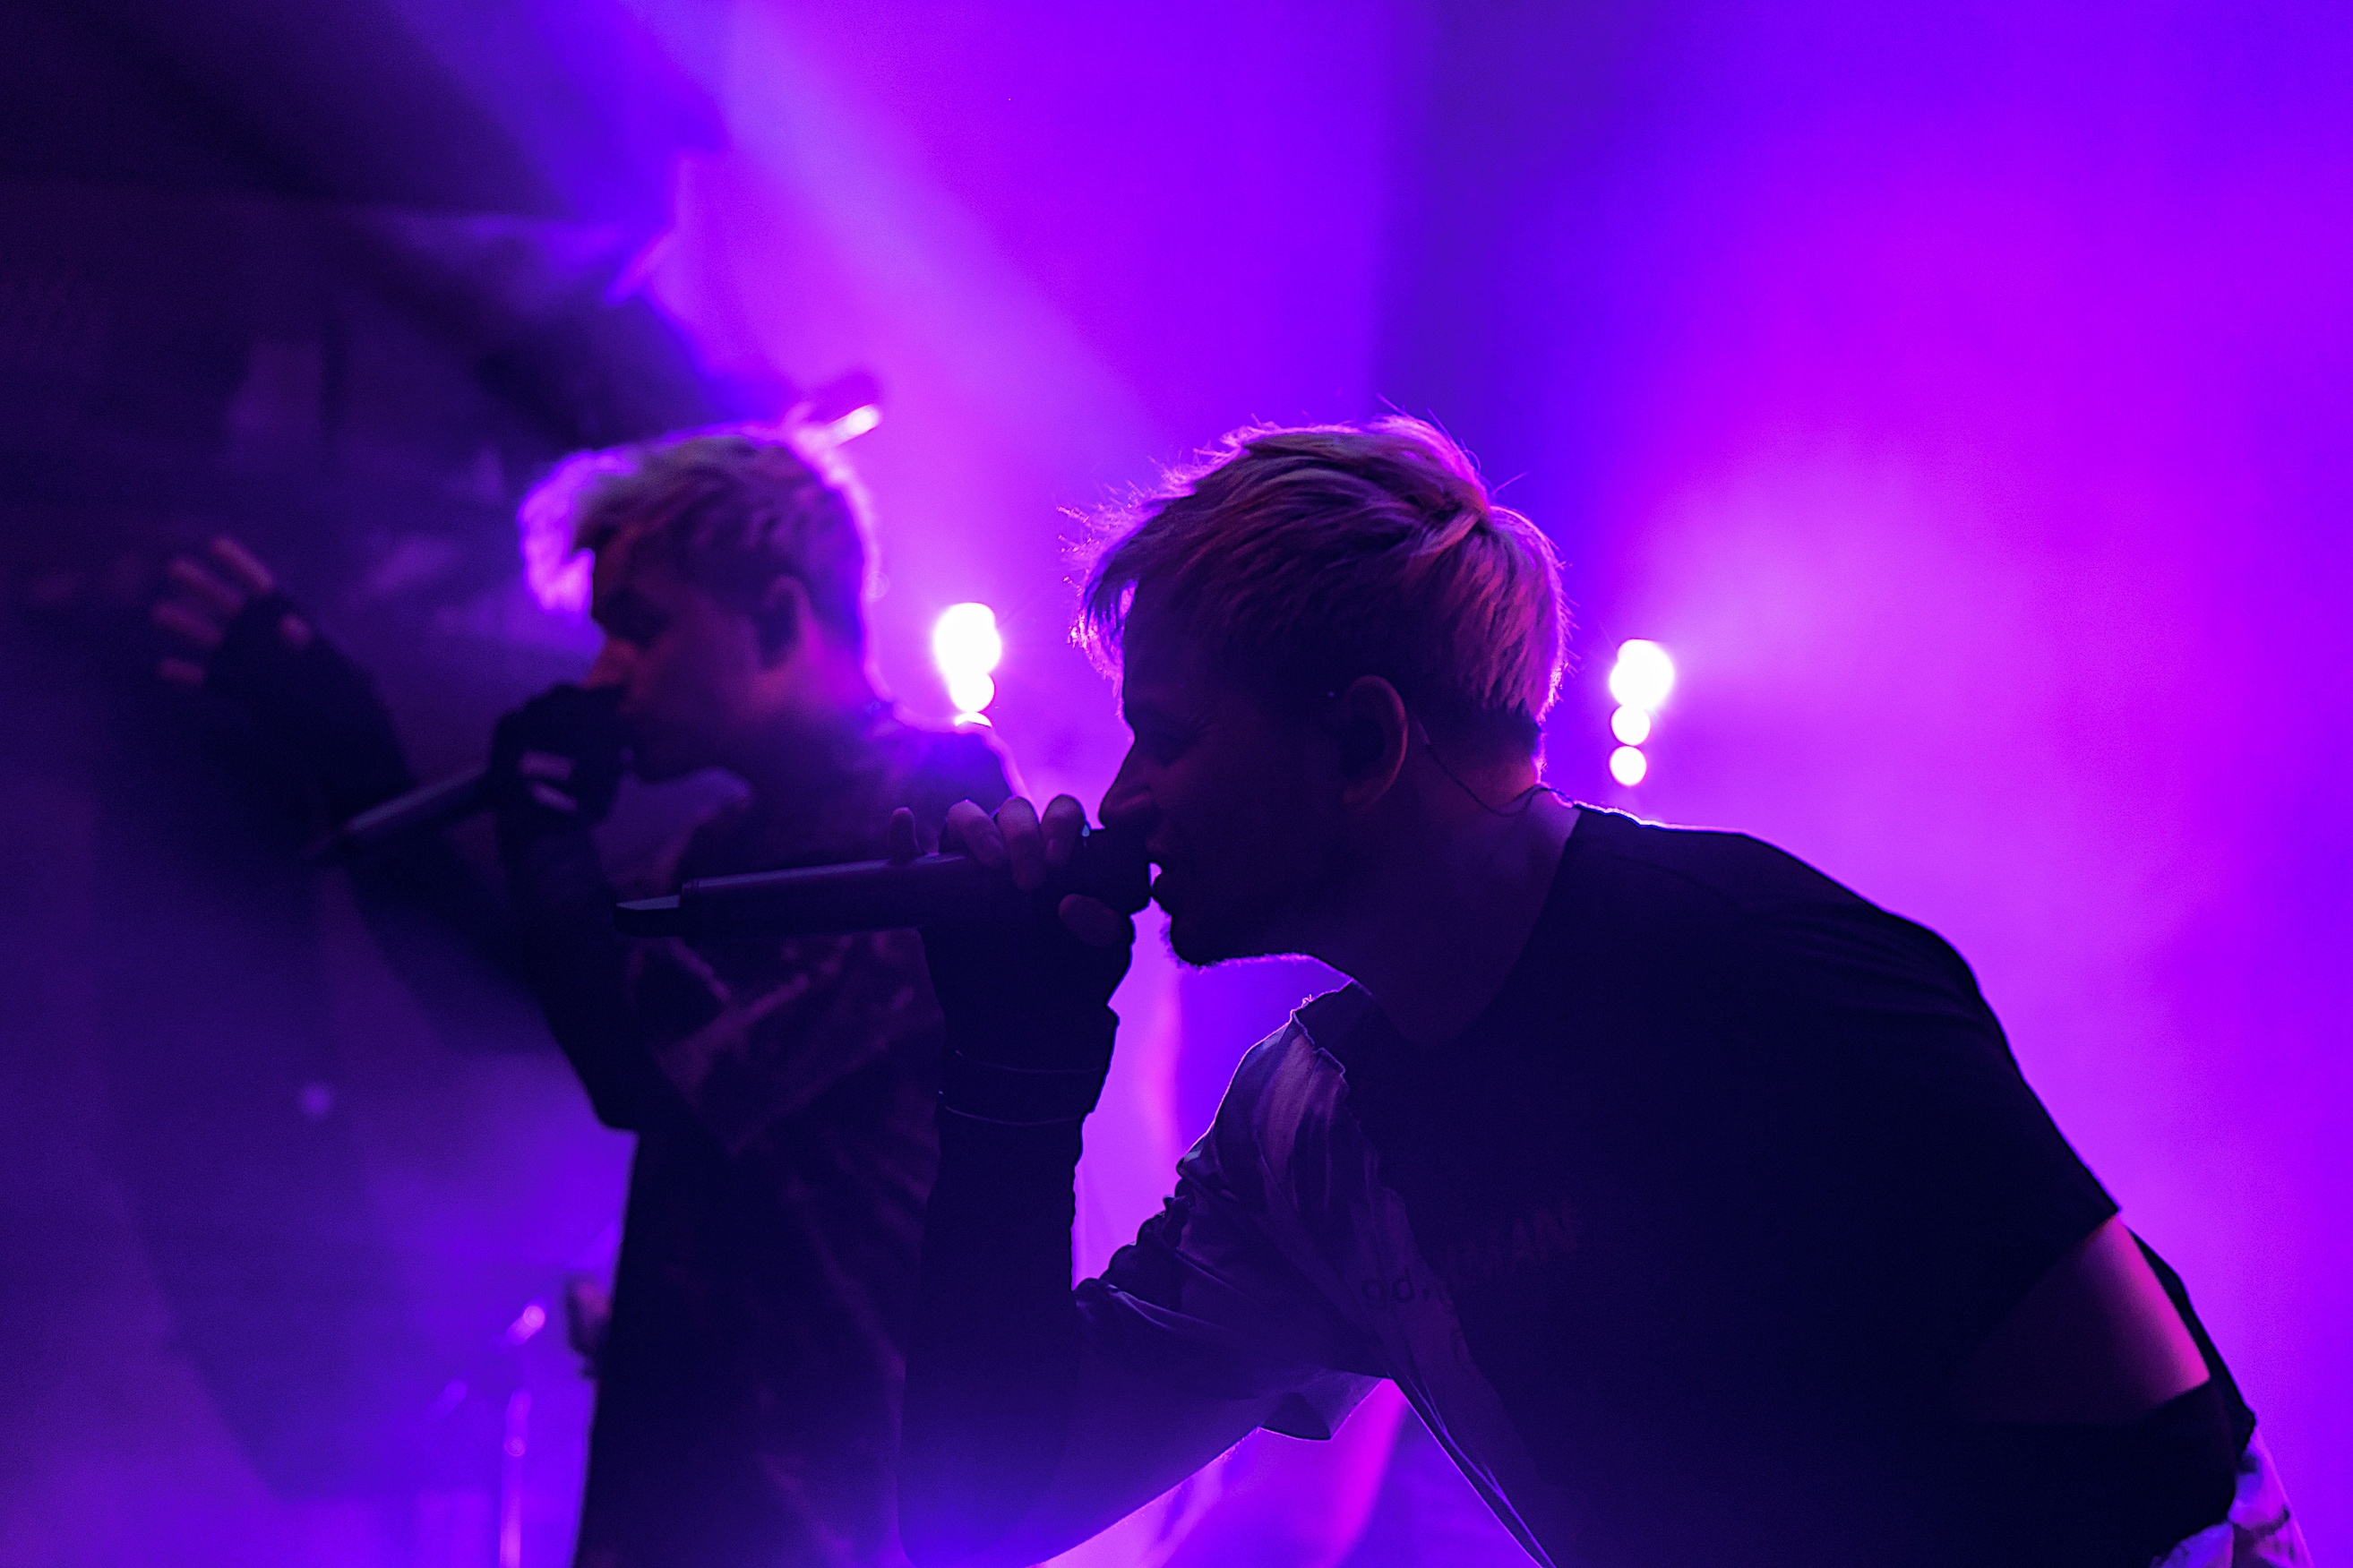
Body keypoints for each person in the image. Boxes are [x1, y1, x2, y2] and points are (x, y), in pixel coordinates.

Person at [889, 417, 2308, 1568]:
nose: (1120, 800)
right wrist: (1012, 1078)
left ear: (1365, 741)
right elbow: (986, 1500)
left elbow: (2167, 1482)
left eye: (1166, 736)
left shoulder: (1774, 980)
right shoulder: (1305, 1127)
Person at [155, 431, 1010, 1568]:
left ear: (773, 616)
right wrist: (354, 751)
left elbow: (645, 1072)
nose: (606, 672)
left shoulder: (930, 808)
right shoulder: (727, 840)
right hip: (690, 1481)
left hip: (838, 1503)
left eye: (640, 627)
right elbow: (512, 992)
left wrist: (547, 832)